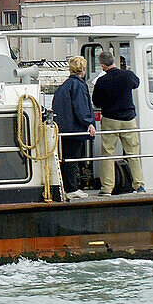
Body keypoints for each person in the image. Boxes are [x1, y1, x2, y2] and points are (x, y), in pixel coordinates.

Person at [92, 51, 145, 195]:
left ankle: (107, 188)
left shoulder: (102, 81)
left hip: (110, 119)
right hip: (128, 119)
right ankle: (139, 185)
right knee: (133, 153)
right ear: (114, 60)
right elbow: (136, 84)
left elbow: (96, 101)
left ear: (102, 64)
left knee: (108, 154)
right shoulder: (127, 75)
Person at [52, 56, 97, 199]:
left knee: (66, 159)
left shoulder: (64, 86)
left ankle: (66, 186)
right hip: (75, 129)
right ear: (82, 69)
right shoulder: (79, 85)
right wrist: (89, 123)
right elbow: (81, 107)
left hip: (64, 129)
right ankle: (72, 188)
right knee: (73, 159)